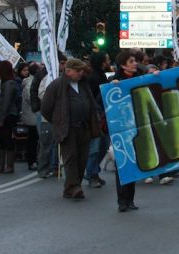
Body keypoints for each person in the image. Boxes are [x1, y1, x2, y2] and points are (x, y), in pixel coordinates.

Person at [41, 58, 101, 200]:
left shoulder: (83, 84)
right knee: (71, 158)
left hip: (84, 127)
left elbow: (90, 102)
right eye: (78, 71)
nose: (81, 73)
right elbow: (46, 108)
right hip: (68, 129)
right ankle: (74, 187)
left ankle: (72, 187)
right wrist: (58, 121)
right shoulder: (56, 86)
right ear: (68, 71)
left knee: (82, 158)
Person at [107, 51, 141, 211]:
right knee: (122, 165)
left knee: (133, 164)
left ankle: (130, 200)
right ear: (123, 65)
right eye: (131, 61)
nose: (135, 63)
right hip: (121, 130)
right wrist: (111, 88)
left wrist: (157, 76)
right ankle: (122, 200)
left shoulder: (141, 77)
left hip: (138, 129)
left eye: (135, 61)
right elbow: (102, 101)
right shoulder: (114, 81)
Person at [85, 52, 111, 188]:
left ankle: (94, 171)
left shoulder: (101, 75)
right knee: (95, 147)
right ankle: (91, 173)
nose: (109, 61)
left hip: (103, 117)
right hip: (96, 117)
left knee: (104, 145)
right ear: (102, 62)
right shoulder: (93, 77)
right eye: (107, 59)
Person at [0, 61, 20, 174]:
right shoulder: (6, 82)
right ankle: (2, 165)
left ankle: (8, 166)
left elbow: (6, 102)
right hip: (4, 114)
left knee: (7, 139)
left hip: (7, 115)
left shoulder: (9, 83)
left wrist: (1, 118)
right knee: (1, 140)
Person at [20, 63, 39, 170]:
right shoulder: (31, 83)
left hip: (33, 115)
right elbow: (30, 98)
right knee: (32, 139)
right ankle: (32, 160)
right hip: (32, 115)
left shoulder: (32, 82)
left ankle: (34, 159)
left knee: (34, 139)